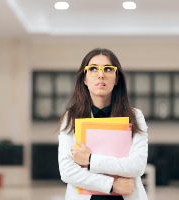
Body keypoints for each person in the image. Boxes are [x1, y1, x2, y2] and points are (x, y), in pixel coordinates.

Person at [56, 48, 148, 200]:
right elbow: (67, 171)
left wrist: (90, 160)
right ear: (84, 79)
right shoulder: (71, 118)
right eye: (93, 69)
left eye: (108, 69)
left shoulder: (135, 116)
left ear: (116, 78)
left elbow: (137, 166)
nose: (100, 75)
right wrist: (112, 185)